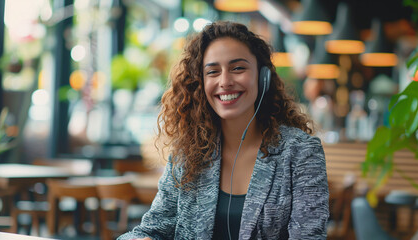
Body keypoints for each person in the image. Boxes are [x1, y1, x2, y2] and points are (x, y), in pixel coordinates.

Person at [118, 21, 329, 240]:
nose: (225, 81)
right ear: (200, 82)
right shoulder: (189, 153)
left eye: (238, 68)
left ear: (262, 77)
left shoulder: (302, 152)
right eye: (213, 71)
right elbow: (152, 229)